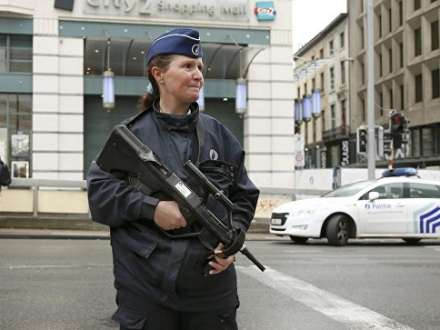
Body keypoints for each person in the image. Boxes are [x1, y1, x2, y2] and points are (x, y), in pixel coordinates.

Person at [87, 28, 259, 330]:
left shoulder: (219, 135)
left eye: (200, 68)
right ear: (159, 73)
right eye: (188, 66)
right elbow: (100, 195)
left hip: (211, 289)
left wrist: (232, 240)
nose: (198, 75)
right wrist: (150, 208)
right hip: (146, 287)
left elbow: (243, 195)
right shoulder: (129, 137)